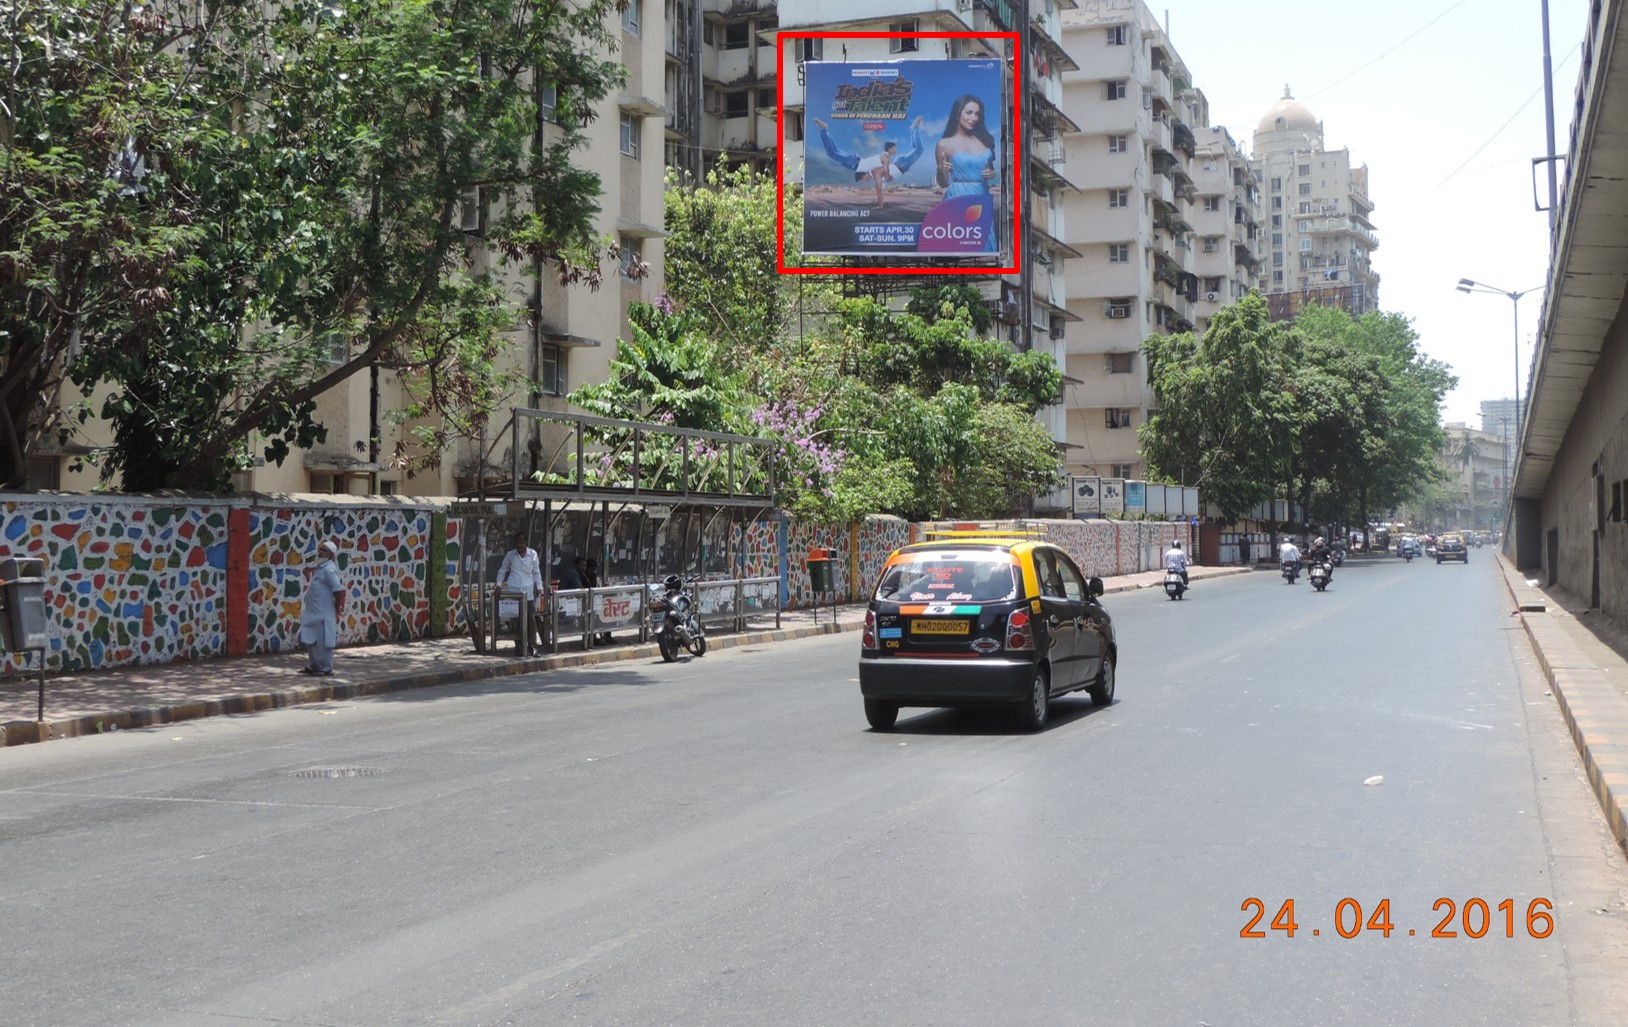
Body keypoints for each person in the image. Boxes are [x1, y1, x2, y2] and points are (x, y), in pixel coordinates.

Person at [814, 115, 925, 209]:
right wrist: (879, 200)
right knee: (834, 152)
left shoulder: (873, 171)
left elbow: (879, 186)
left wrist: (881, 203)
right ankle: (913, 129)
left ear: (864, 175)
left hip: (864, 163)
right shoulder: (873, 172)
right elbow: (879, 183)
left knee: (832, 153)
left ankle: (823, 130)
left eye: (862, 179)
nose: (864, 182)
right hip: (895, 165)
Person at [935, 95, 997, 199]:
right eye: (969, 113)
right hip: (957, 197)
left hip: (982, 195)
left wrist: (992, 174)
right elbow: (943, 184)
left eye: (977, 114)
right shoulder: (943, 144)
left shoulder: (985, 141)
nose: (974, 118)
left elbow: (990, 170)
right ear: (957, 114)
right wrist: (940, 169)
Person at [298, 539, 345, 676]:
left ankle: (325, 668)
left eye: (324, 550)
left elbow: (338, 589)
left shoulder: (329, 570)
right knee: (311, 640)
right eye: (320, 549)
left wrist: (337, 608)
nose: (320, 552)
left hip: (323, 614)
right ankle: (313, 666)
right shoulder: (320, 568)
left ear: (331, 555)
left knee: (322, 643)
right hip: (313, 613)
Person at [497, 532, 546, 655]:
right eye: (518, 542)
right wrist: (498, 585)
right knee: (515, 621)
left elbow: (536, 572)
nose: (520, 545)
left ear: (526, 543)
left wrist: (539, 587)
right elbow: (503, 570)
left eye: (522, 542)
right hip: (513, 591)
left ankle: (533, 647)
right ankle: (519, 647)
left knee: (530, 620)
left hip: (528, 592)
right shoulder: (510, 555)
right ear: (515, 543)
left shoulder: (532, 555)